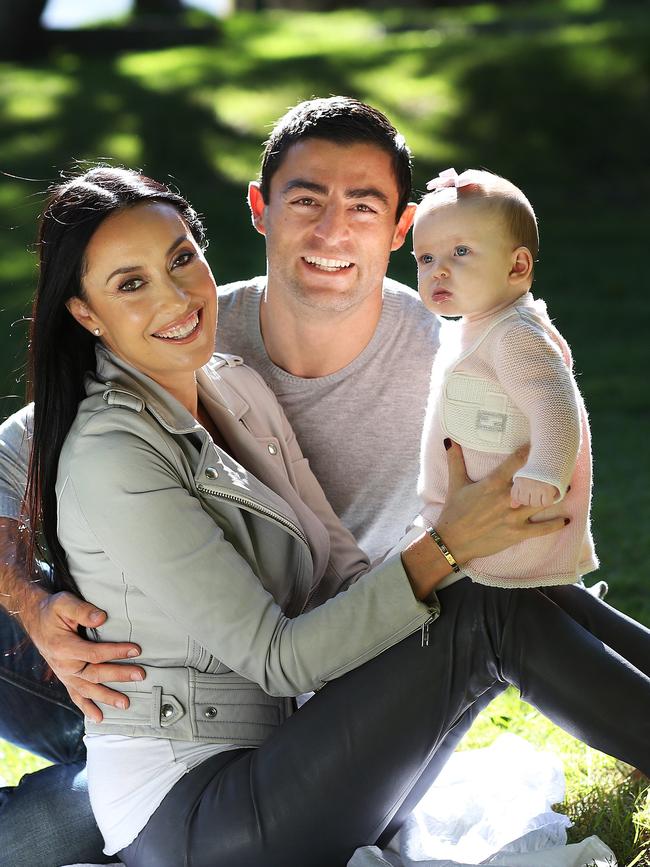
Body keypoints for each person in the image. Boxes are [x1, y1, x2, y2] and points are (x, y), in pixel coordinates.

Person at [0, 97, 647, 864]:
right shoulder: (113, 445)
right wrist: (30, 602)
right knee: (477, 603)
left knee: (489, 582)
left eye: (180, 260)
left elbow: (340, 571)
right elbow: (280, 655)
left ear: (400, 227)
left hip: (288, 746)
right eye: (130, 284)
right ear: (87, 313)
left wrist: (466, 543)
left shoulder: (235, 381)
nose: (175, 298)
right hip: (202, 812)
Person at [414, 167, 597, 588]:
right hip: (470, 521)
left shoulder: (514, 335)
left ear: (517, 265)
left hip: (513, 526)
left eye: (460, 252)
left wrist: (545, 472)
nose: (438, 270)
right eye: (426, 258)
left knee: (512, 619)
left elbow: (556, 405)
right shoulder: (475, 328)